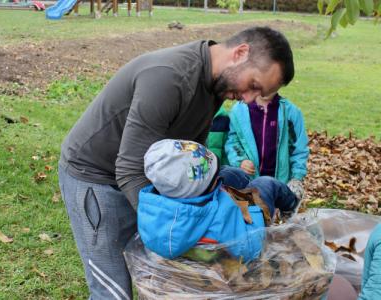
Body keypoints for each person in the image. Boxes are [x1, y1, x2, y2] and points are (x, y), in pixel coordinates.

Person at [58, 26, 295, 299]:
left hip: (144, 173)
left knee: (166, 276)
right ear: (240, 53)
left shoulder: (217, 85)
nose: (249, 99)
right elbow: (129, 169)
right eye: (253, 86)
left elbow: (191, 154)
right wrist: (173, 226)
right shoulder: (170, 78)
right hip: (97, 176)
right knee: (113, 293)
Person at [138, 139, 300, 261]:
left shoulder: (150, 207)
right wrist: (251, 209)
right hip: (250, 223)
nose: (218, 179)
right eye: (214, 179)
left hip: (194, 216)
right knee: (267, 183)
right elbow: (251, 247)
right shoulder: (220, 222)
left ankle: (241, 179)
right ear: (204, 189)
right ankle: (292, 205)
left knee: (230, 173)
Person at [224, 92, 309, 201]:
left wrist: (296, 177)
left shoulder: (291, 112)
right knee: (252, 214)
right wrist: (240, 160)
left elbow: (299, 148)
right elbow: (232, 140)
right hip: (248, 184)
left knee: (276, 215)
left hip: (280, 183)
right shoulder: (238, 111)